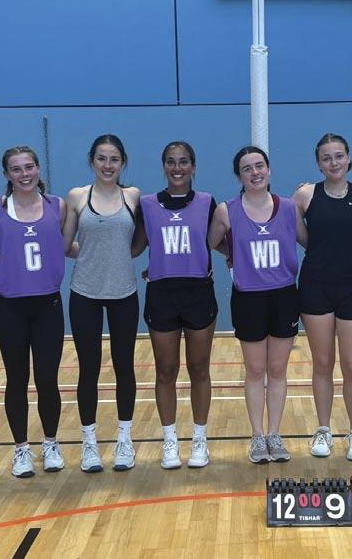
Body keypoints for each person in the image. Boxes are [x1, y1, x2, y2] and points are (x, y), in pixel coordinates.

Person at [209, 146, 307, 463]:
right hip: (248, 297)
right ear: (239, 175)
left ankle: (274, 434)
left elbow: (311, 242)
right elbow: (210, 242)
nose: (255, 172)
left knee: (277, 369)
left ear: (269, 169)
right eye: (247, 168)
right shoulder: (226, 211)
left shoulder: (289, 208)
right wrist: (233, 253)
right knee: (254, 369)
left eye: (259, 165)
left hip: (284, 295)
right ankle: (256, 436)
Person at [294, 134, 352, 461]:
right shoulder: (304, 196)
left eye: (338, 156)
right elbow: (304, 238)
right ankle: (323, 429)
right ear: (318, 163)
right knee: (322, 363)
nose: (333, 162)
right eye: (326, 158)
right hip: (316, 285)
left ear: (348, 158)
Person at [132, 141, 218, 469]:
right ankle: (170, 440)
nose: (177, 168)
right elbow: (135, 246)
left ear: (193, 166)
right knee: (166, 370)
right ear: (163, 166)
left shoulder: (208, 203)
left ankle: (199, 439)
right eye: (171, 162)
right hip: (162, 295)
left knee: (199, 368)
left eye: (183, 162)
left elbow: (223, 242)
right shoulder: (147, 204)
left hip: (198, 293)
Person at [0, 146, 66, 478]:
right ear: (7, 174)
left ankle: (50, 444)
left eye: (29, 167)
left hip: (48, 305)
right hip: (9, 306)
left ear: (38, 169)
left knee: (47, 378)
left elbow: (65, 246)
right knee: (17, 379)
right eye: (16, 169)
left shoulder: (57, 206)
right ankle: (21, 449)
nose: (24, 174)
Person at [63, 134, 141, 472]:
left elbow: (139, 242)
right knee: (89, 368)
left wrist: (119, 256)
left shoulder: (133, 196)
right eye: (101, 158)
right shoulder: (77, 196)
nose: (107, 165)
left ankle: (124, 440)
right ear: (91, 161)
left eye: (114, 159)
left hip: (124, 293)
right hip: (85, 293)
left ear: (123, 163)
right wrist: (92, 255)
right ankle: (89, 443)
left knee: (125, 367)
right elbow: (65, 244)